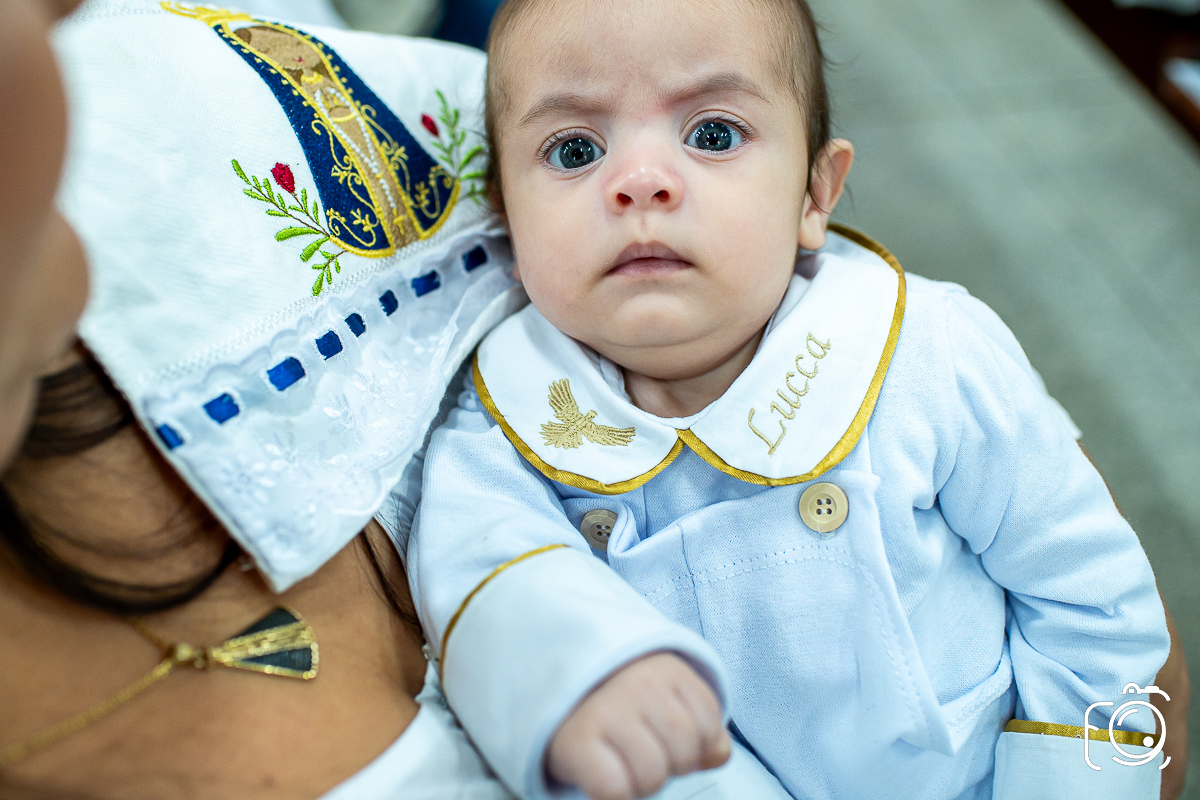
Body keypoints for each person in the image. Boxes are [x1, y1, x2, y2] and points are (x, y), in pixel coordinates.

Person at [408, 1, 1179, 798]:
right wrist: (577, 672)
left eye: (712, 134)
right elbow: (487, 573)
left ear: (816, 192)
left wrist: (1090, 781)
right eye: (574, 149)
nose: (640, 182)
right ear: (506, 215)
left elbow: (1093, 596)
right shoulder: (504, 423)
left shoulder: (926, 353)